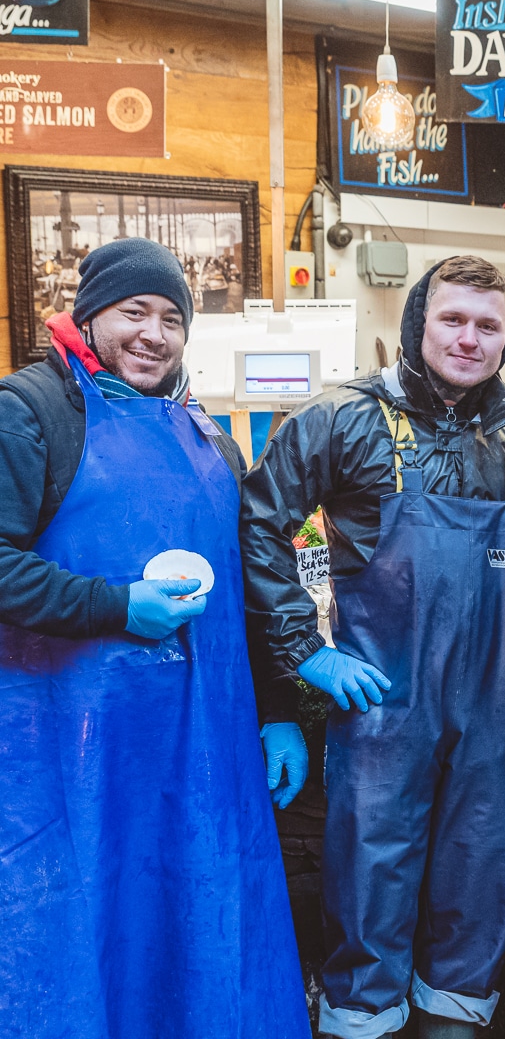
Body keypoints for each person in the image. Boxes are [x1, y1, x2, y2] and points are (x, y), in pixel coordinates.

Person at [0, 238, 309, 1037]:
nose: (154, 335)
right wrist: (113, 607)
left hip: (203, 743)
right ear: (89, 315)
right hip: (73, 745)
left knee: (197, 916)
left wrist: (279, 708)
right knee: (88, 927)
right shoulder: (29, 410)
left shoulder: (207, 433)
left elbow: (245, 585)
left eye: (173, 318)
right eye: (134, 312)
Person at [241, 256, 505, 1039]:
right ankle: (360, 1023)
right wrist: (302, 649)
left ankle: (453, 1025)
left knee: (481, 878)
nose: (470, 339)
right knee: (369, 877)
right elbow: (257, 525)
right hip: (383, 705)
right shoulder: (342, 419)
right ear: (417, 322)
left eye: (489, 326)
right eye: (454, 319)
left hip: (496, 709)